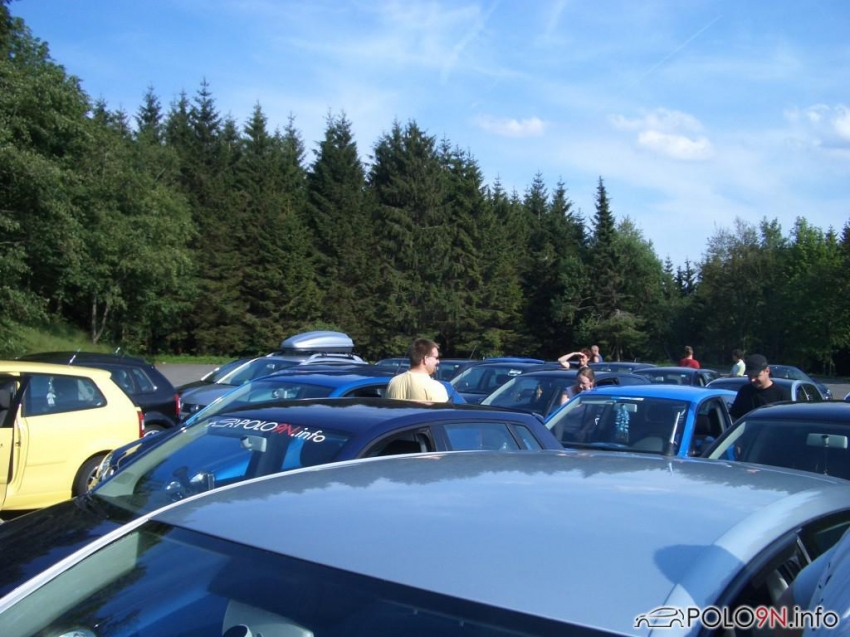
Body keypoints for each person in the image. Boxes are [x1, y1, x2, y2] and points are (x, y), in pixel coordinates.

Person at [729, 354, 792, 420]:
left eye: (756, 376)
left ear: (767, 371)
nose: (752, 380)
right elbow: (735, 417)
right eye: (749, 376)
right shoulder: (745, 391)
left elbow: (788, 421)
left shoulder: (782, 394)